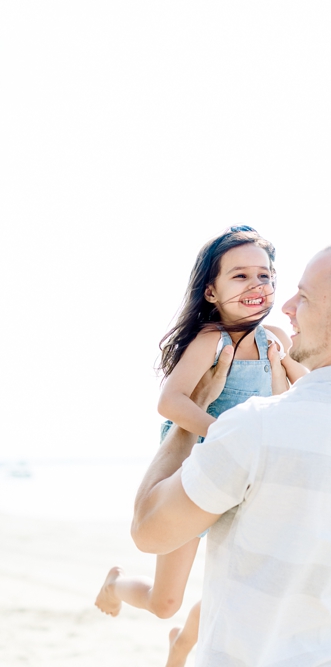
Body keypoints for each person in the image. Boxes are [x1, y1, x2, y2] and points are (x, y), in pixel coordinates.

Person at [128, 244, 331, 667]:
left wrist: (191, 426)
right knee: (169, 598)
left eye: (303, 296)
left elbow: (148, 531)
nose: (283, 305)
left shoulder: (257, 428)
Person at [94, 225, 305, 666]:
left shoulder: (278, 341)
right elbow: (170, 402)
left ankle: (183, 645)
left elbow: (307, 392)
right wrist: (222, 434)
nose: (257, 286)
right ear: (211, 291)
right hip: (191, 468)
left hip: (249, 478)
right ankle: (115, 585)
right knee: (164, 602)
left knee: (237, 589)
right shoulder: (212, 340)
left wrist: (294, 376)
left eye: (265, 276)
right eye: (240, 276)